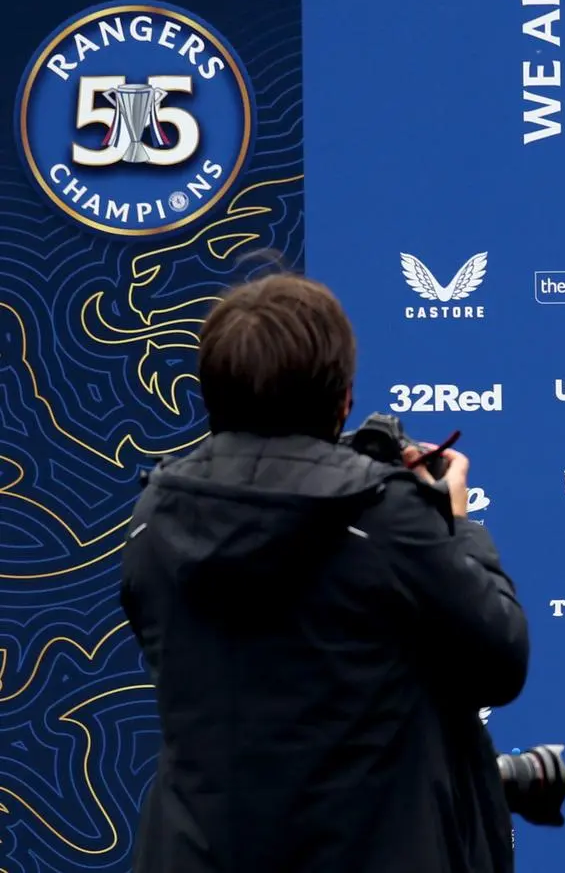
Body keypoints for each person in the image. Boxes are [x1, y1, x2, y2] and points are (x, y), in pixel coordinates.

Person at [119, 272, 528, 873]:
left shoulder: (154, 517)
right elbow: (500, 659)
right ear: (343, 400)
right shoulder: (384, 518)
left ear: (210, 397)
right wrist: (455, 526)